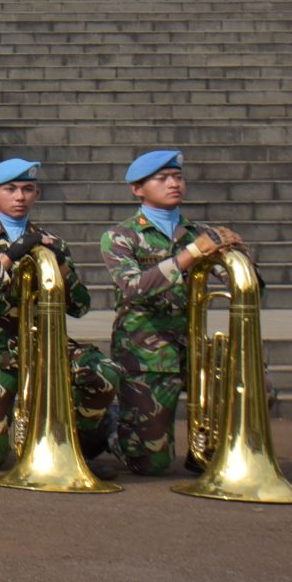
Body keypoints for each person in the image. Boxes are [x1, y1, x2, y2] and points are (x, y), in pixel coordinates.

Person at [0, 157, 121, 477]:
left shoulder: (53, 242)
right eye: (10, 189)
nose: (20, 196)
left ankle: (75, 445)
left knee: (102, 372)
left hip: (43, 342)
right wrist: (9, 257)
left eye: (28, 189)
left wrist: (61, 266)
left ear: (37, 194)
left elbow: (79, 307)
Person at [101, 148, 242, 476]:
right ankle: (110, 429)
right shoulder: (120, 236)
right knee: (150, 463)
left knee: (256, 387)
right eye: (162, 178)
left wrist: (241, 262)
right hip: (145, 350)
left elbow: (250, 291)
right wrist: (193, 254)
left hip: (193, 345)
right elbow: (134, 288)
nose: (173, 183)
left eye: (177, 177)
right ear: (138, 189)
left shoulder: (199, 233)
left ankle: (209, 449)